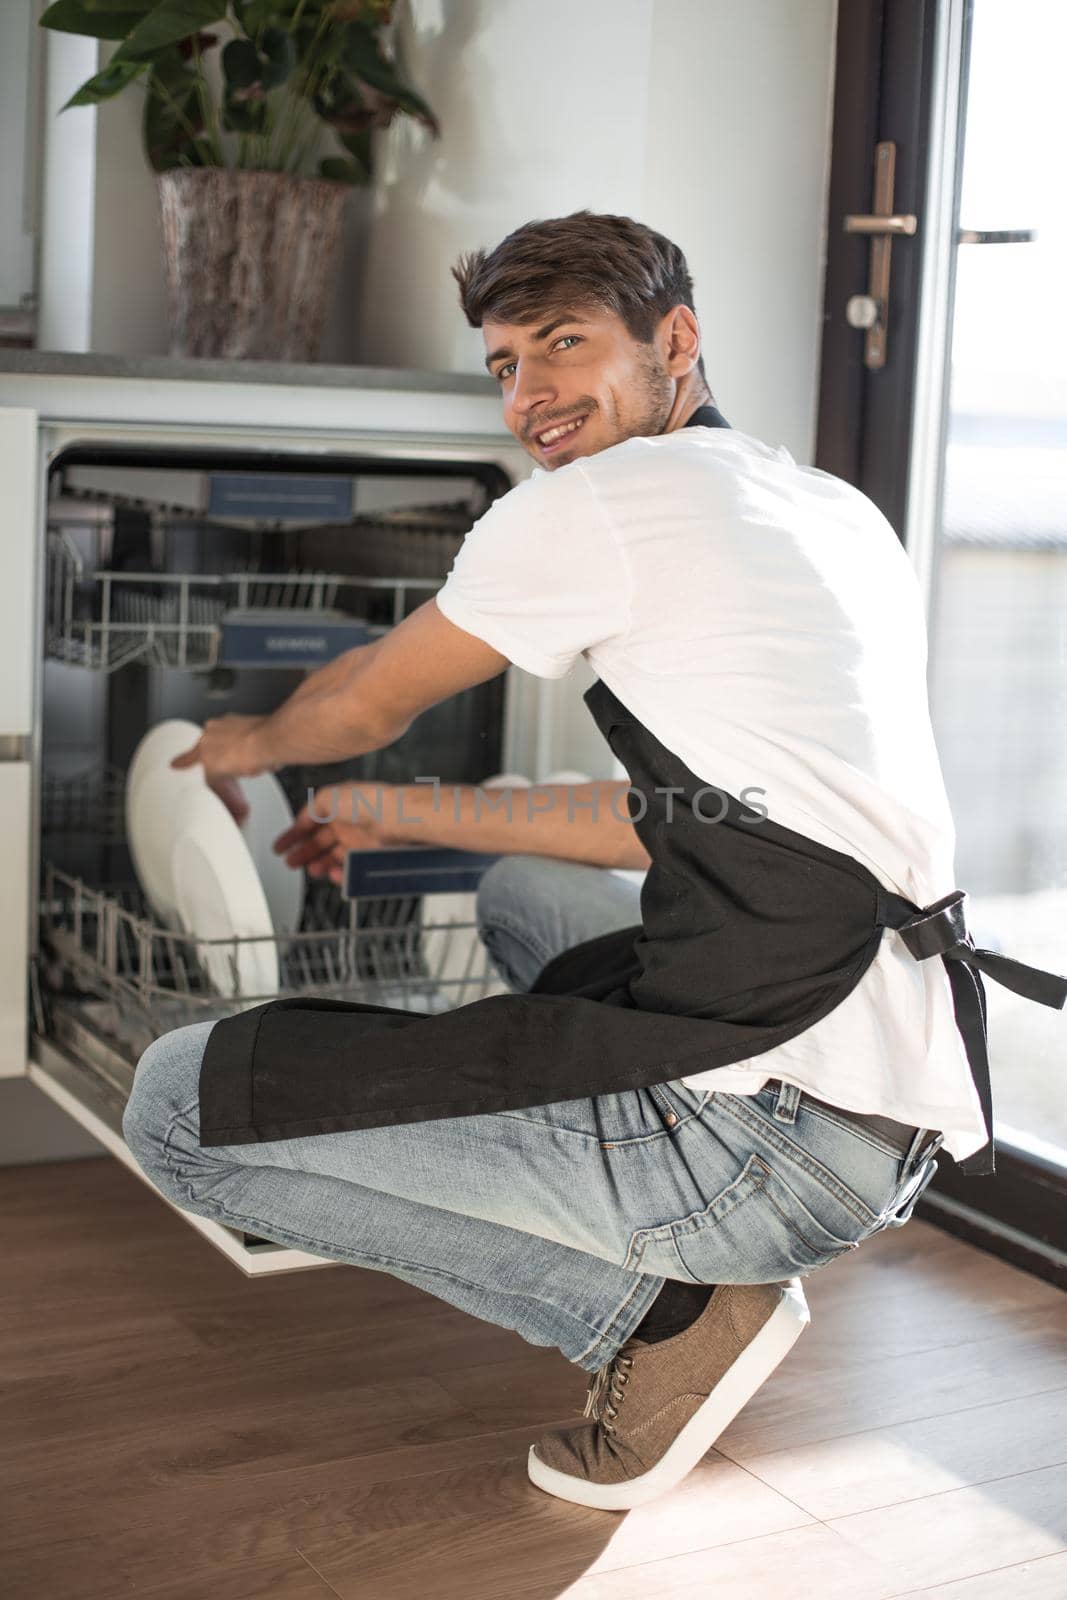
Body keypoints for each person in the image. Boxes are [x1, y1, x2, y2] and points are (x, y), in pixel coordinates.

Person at [122, 211, 1060, 1513]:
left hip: (766, 1140)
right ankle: (690, 1250)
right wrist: (398, 814)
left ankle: (658, 1317)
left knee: (176, 1103)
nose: (533, 395)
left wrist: (246, 742)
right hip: (889, 1102)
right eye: (506, 363)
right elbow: (692, 818)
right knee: (524, 899)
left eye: (564, 344)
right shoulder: (827, 506)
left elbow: (360, 702)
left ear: (676, 340)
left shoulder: (605, 502)